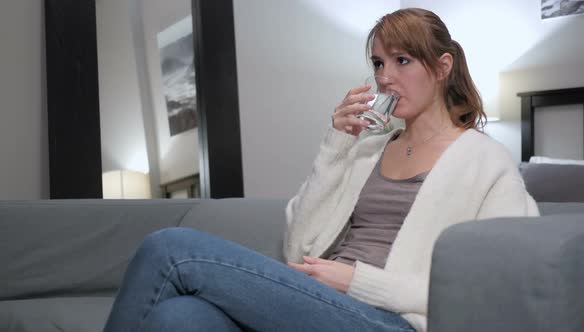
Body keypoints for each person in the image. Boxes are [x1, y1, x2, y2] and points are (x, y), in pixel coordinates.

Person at [103, 8, 538, 332]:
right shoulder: (367, 149)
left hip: (394, 321)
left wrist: (358, 281)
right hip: (324, 306)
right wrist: (337, 143)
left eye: (402, 60)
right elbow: (298, 249)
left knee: (170, 248)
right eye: (379, 63)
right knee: (177, 318)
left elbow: (501, 288)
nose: (385, 77)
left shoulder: (486, 161)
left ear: (443, 67)